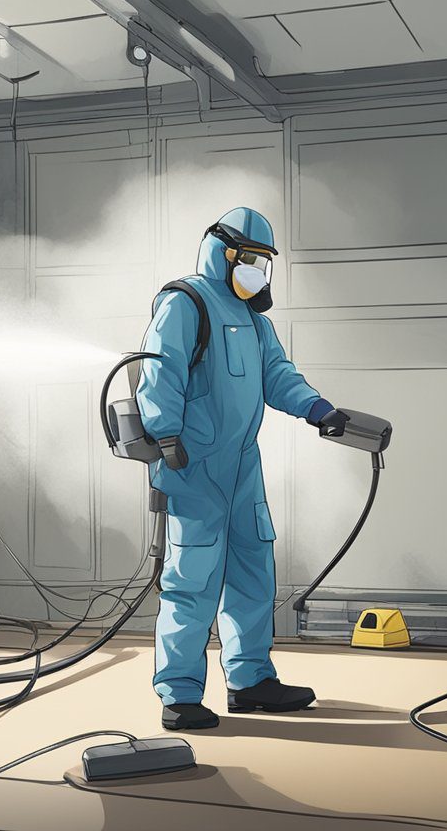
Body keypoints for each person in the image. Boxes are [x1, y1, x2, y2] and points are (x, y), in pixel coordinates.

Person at [137, 207, 349, 731]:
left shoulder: (256, 320)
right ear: (225, 252)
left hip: (242, 467)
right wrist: (166, 436)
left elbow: (278, 375)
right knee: (192, 581)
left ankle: (250, 680)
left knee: (254, 572)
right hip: (192, 466)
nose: (259, 270)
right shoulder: (185, 302)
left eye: (265, 262)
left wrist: (317, 408)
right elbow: (159, 369)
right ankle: (180, 693)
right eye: (252, 259)